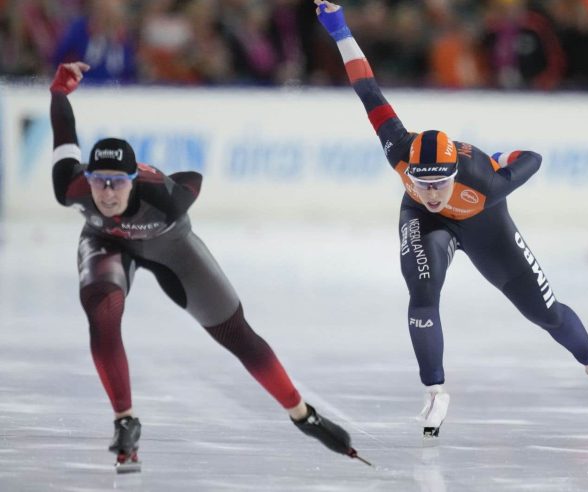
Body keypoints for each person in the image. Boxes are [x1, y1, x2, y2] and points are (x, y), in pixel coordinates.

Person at [313, 0, 588, 439]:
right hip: (425, 224)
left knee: (546, 313)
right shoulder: (399, 148)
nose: (432, 193)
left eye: (440, 185)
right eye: (423, 182)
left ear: (457, 175)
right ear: (410, 172)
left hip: (486, 226)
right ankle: (436, 391)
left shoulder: (487, 183)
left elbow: (531, 158)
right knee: (422, 292)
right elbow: (367, 88)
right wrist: (341, 30)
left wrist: (497, 160)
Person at [48, 61, 365, 472]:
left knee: (235, 331)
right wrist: (58, 93)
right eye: (99, 181)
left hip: (168, 246)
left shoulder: (163, 198)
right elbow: (65, 137)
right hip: (105, 243)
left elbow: (192, 179)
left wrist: (168, 193)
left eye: (118, 182)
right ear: (87, 178)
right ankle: (125, 420)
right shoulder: (70, 188)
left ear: (133, 179)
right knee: (102, 311)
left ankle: (303, 414)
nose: (107, 192)